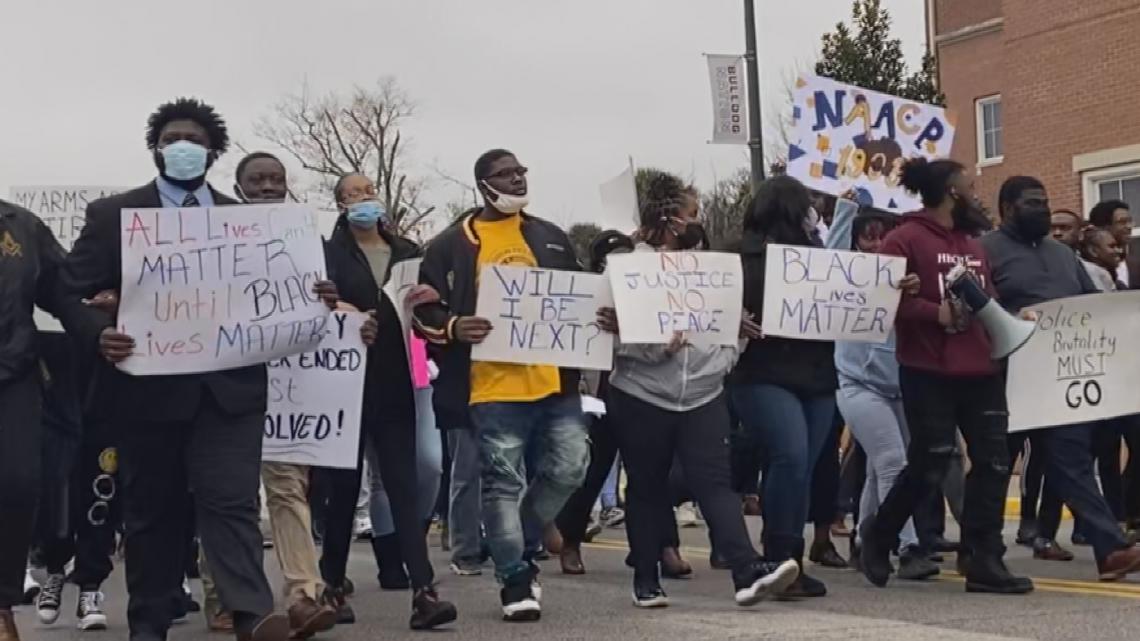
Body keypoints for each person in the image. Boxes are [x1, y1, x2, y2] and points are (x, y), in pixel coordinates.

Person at [57, 98, 337, 641]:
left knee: (231, 502)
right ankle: (150, 623)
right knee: (152, 512)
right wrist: (98, 331)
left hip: (229, 394)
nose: (180, 147)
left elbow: (280, 295)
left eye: (192, 139)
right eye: (169, 139)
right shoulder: (115, 215)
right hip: (146, 391)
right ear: (156, 150)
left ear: (212, 153)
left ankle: (253, 618)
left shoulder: (252, 222)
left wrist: (313, 296)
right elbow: (68, 293)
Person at [600, 173, 799, 608]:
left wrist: (730, 350)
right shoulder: (628, 270)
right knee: (648, 485)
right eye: (693, 214)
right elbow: (609, 336)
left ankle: (746, 572)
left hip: (704, 394)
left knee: (716, 484)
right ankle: (647, 578)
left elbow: (730, 327)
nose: (699, 221)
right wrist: (657, 347)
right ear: (672, 220)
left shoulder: (713, 270)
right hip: (642, 394)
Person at [413, 149, 589, 622]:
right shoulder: (450, 246)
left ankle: (515, 538)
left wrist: (603, 317)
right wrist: (453, 328)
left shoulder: (550, 236)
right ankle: (514, 579)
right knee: (502, 485)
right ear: (483, 185)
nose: (515, 180)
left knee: (572, 466)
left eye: (520, 172)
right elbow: (421, 313)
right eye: (504, 174)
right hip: (491, 387)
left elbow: (580, 298)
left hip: (554, 381)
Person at [857, 158, 1032, 594]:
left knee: (993, 461)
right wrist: (931, 312)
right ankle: (879, 535)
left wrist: (1011, 318)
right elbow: (881, 303)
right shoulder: (903, 239)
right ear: (952, 191)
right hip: (927, 369)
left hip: (980, 368)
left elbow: (985, 300)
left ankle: (983, 557)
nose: (975, 190)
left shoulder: (974, 243)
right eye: (969, 184)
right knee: (931, 460)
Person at [980, 176, 1140, 581]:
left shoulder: (1063, 255)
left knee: (1072, 461)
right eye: (1034, 202)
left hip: (1058, 381)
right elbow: (978, 308)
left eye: (1046, 201)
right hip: (1006, 377)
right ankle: (978, 549)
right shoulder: (985, 251)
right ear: (1007, 208)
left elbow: (1093, 307)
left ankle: (1111, 551)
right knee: (994, 466)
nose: (1044, 210)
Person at [317, 172, 457, 631]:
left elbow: (431, 311)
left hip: (397, 380)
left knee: (403, 482)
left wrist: (435, 299)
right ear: (339, 204)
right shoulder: (328, 254)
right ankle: (332, 585)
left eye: (368, 191)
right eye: (352, 194)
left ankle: (424, 591)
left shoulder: (408, 254)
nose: (363, 199)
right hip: (344, 384)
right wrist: (338, 310)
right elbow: (313, 308)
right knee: (343, 488)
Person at [234, 152, 338, 638]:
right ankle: (226, 597)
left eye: (276, 179)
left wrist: (335, 304)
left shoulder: (308, 241)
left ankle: (304, 594)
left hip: (287, 388)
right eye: (257, 179)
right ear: (239, 188)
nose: (268, 186)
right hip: (226, 387)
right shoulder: (211, 237)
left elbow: (336, 306)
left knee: (286, 486)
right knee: (227, 497)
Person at [730, 175, 838, 598]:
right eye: (809, 201)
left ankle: (789, 559)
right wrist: (730, 316)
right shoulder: (739, 255)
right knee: (790, 457)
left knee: (802, 467)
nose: (815, 209)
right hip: (762, 373)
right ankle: (779, 556)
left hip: (815, 373)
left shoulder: (819, 255)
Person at [825, 197, 935, 580]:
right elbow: (830, 257)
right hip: (857, 384)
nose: (874, 245)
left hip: (903, 383)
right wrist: (843, 211)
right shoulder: (846, 275)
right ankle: (906, 546)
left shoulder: (909, 276)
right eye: (866, 238)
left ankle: (863, 540)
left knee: (879, 469)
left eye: (881, 237)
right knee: (893, 463)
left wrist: (913, 291)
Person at [0, 197, 85, 641]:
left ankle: (1, 605)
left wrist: (109, 311)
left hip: (11, 373)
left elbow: (66, 289)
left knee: (17, 484)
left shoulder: (22, 226)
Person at [1088, 199, 1133, 287]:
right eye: (1122, 222)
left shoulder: (1134, 264)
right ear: (1103, 227)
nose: (1129, 227)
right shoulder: (1087, 268)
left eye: (1130, 221)